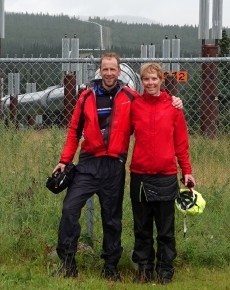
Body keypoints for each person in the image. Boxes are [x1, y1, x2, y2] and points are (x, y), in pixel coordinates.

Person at [51, 53, 181, 281]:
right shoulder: (86, 97)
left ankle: (110, 267)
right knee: (69, 209)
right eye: (105, 69)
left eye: (113, 69)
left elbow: (153, 103)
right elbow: (74, 131)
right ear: (99, 71)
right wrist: (65, 160)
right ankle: (68, 262)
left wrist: (173, 100)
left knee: (112, 218)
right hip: (89, 163)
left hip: (115, 164)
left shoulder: (131, 97)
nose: (109, 73)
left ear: (119, 72)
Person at [128, 62, 195, 284]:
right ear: (141, 81)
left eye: (154, 79)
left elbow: (181, 144)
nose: (150, 83)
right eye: (146, 79)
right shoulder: (134, 106)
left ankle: (165, 270)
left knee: (165, 229)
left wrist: (187, 171)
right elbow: (121, 133)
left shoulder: (174, 108)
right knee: (142, 227)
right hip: (139, 175)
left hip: (165, 174)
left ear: (161, 80)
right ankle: (144, 269)